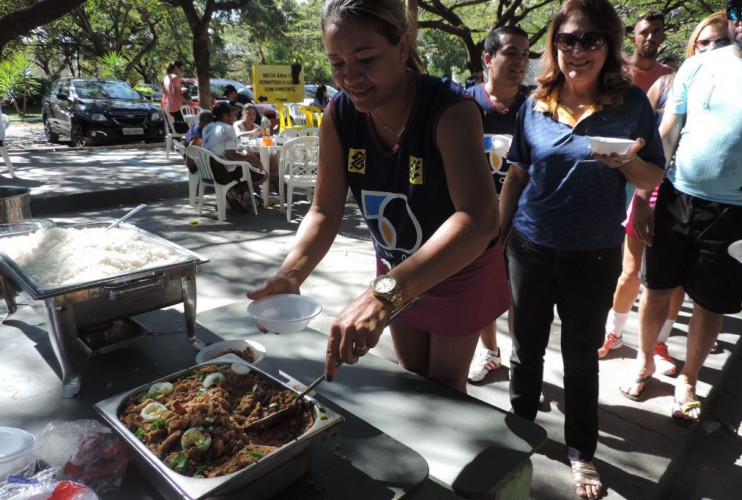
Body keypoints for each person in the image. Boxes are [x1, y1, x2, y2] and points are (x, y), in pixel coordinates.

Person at [248, 0, 509, 393]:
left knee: (443, 389)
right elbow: (324, 210)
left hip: (455, 266)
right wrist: (291, 273)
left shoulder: (450, 110)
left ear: (401, 47)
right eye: (337, 63)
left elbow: (479, 218)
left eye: (365, 58)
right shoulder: (339, 114)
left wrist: (384, 295)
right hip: (394, 267)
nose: (350, 77)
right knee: (410, 376)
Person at [497, 0, 665, 497]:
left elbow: (651, 176)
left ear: (609, 45)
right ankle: (519, 434)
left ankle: (580, 452)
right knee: (525, 349)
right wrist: (498, 236)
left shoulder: (631, 103)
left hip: (593, 256)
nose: (577, 50)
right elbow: (518, 173)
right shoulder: (535, 102)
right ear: (555, 46)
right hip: (530, 246)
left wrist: (624, 162)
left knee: (580, 358)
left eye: (590, 39)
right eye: (567, 40)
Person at [620, 0, 742, 426]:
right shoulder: (697, 66)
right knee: (655, 288)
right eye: (738, 11)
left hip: (737, 212)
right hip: (677, 196)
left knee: (710, 304)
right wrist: (643, 197)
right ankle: (644, 362)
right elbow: (668, 134)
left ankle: (689, 380)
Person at [598, 12, 731, 369]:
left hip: (704, 203)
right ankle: (614, 332)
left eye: (721, 41)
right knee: (631, 271)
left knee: (673, 285)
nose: (711, 48)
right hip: (654, 187)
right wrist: (639, 189)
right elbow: (654, 137)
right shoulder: (669, 83)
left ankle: (659, 343)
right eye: (704, 42)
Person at [464, 25, 531, 383]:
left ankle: (523, 363)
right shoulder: (465, 104)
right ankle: (489, 352)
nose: (521, 61)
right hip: (475, 215)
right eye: (512, 53)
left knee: (520, 295)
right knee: (480, 289)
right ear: (488, 59)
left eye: (526, 54)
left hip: (524, 218)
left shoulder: (536, 106)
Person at [202, 102, 268, 212]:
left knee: (248, 163)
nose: (235, 116)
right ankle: (233, 192)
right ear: (225, 115)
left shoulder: (207, 127)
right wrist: (256, 161)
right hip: (223, 172)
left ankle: (233, 192)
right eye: (232, 113)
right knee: (264, 174)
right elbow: (231, 155)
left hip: (208, 170)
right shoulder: (228, 129)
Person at [234, 103, 280, 192]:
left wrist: (270, 133)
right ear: (243, 114)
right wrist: (252, 132)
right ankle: (266, 180)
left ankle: (273, 179)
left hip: (255, 152)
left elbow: (262, 141)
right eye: (248, 113)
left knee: (273, 155)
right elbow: (237, 135)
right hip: (241, 153)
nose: (251, 116)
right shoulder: (238, 124)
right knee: (251, 153)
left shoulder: (257, 127)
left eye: (254, 114)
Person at [624, 11, 673, 92]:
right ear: (633, 39)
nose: (650, 38)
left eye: (656, 32)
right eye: (644, 33)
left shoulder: (669, 75)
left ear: (663, 38)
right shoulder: (616, 69)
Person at [163, 61, 192, 133]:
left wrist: (180, 91)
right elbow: (175, 93)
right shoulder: (175, 77)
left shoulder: (166, 77)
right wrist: (188, 102)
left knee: (176, 130)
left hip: (168, 107)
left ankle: (175, 139)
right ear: (176, 67)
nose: (182, 72)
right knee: (186, 131)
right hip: (176, 107)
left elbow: (167, 92)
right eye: (181, 70)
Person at [184, 110, 214, 174]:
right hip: (197, 169)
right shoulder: (198, 138)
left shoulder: (196, 125)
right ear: (200, 124)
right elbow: (189, 162)